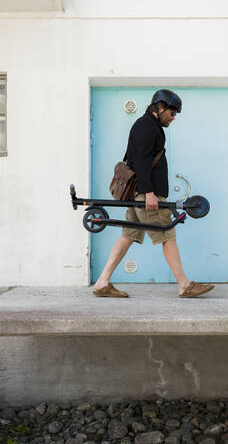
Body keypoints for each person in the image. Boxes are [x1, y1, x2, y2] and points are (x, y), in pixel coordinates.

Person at [93, 89, 214, 298]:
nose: (174, 117)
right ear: (160, 107)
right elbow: (140, 160)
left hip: (139, 194)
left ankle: (102, 282)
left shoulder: (150, 126)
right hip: (146, 195)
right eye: (172, 112)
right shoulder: (146, 126)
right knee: (167, 235)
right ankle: (184, 285)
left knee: (128, 235)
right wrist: (149, 192)